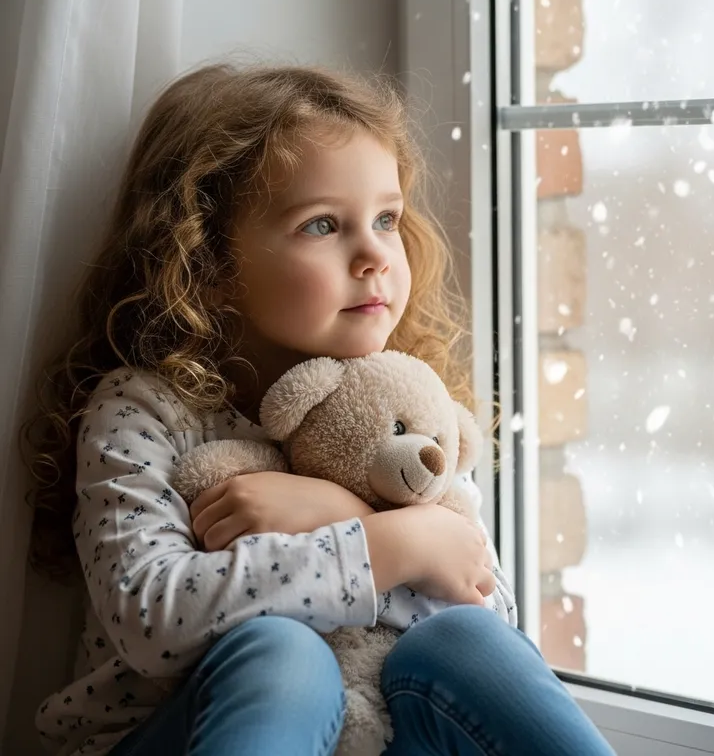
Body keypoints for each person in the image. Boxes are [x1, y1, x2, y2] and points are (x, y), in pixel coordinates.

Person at [24, 63, 615, 756]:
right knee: (283, 655)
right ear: (208, 264)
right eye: (323, 225)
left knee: (466, 640)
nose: (374, 256)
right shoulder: (145, 410)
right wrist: (387, 548)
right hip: (170, 738)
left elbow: (483, 600)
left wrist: (346, 515)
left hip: (378, 733)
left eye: (387, 219)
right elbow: (153, 619)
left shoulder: (399, 403)